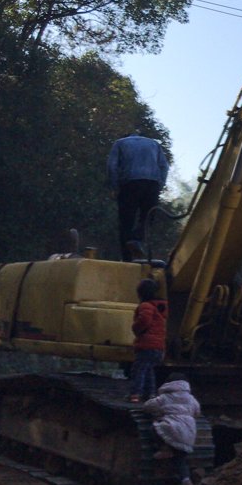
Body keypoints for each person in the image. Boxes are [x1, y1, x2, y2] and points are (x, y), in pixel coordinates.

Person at [107, 129, 169, 261]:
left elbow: (112, 166)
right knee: (148, 217)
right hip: (152, 183)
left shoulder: (119, 143)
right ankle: (137, 239)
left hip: (129, 183)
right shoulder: (154, 144)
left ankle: (127, 259)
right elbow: (164, 166)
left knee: (126, 222)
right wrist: (160, 184)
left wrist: (115, 186)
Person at [143, 372, 201, 485]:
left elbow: (148, 406)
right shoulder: (191, 398)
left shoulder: (166, 397)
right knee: (180, 458)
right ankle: (186, 481)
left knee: (154, 428)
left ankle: (165, 448)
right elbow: (197, 411)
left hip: (172, 426)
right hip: (189, 430)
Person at [129, 278, 167, 403]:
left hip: (146, 345)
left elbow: (144, 320)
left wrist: (136, 328)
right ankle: (151, 394)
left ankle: (135, 394)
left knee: (138, 370)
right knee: (149, 370)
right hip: (158, 346)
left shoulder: (146, 306)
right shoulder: (160, 307)